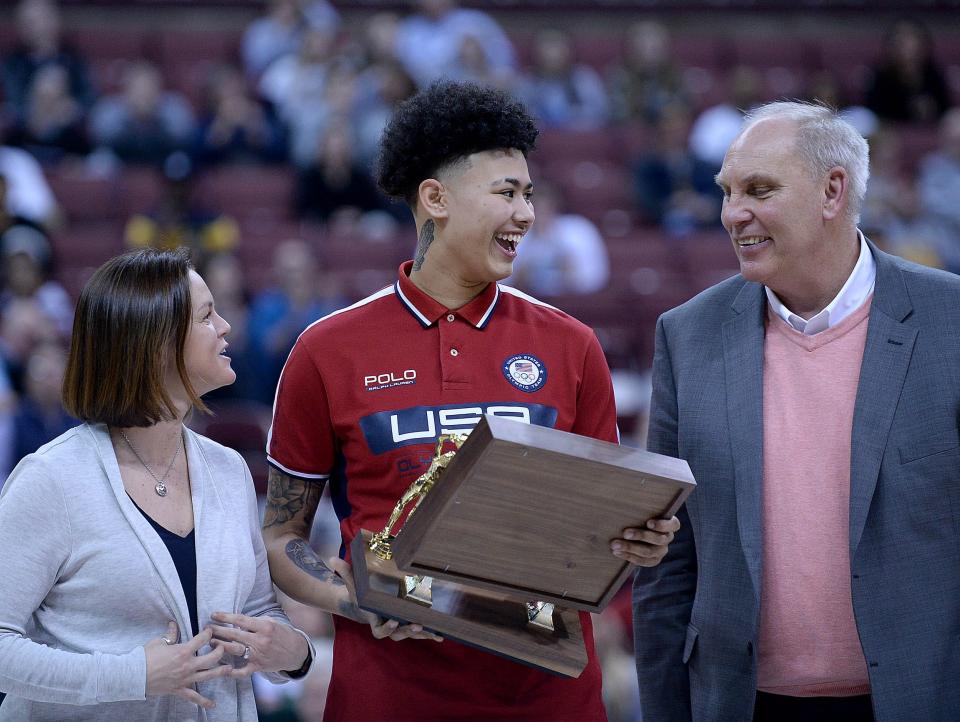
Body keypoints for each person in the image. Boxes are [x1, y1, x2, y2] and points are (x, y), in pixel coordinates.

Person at [262, 80, 679, 722]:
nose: (526, 213)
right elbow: (281, 536)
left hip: (548, 695)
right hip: (390, 694)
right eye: (506, 193)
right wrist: (358, 602)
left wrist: (636, 541)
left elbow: (597, 534)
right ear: (436, 199)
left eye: (529, 194)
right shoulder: (327, 349)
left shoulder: (572, 346)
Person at [632, 101, 960, 722]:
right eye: (728, 192)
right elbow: (667, 565)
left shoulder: (951, 322)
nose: (733, 214)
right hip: (741, 703)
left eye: (759, 190)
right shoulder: (687, 334)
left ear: (832, 190)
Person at [0, 248, 314, 720]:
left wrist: (292, 652)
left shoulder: (229, 471)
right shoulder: (52, 480)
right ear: (157, 344)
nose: (227, 326)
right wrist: (131, 676)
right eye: (208, 315)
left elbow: (257, 612)